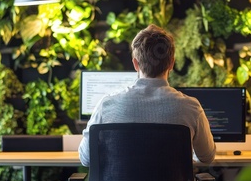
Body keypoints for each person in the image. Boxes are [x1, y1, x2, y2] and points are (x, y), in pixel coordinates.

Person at [78, 24, 216, 166]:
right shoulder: (191, 107)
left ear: (135, 64)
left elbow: (86, 158)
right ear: (171, 64)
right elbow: (207, 157)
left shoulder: (106, 106)